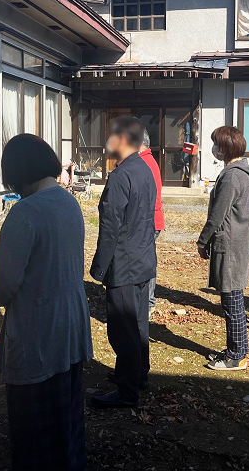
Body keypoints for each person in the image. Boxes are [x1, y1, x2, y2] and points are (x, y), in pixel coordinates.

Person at [0, 134, 93, 471]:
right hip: (70, 325)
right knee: (66, 419)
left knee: (34, 431)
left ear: (19, 173)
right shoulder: (69, 203)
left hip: (37, 331)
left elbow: (4, 285)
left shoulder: (26, 212)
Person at [90, 116, 157, 408]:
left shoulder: (121, 176)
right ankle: (137, 375)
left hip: (125, 262)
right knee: (139, 324)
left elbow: (110, 226)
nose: (108, 143)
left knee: (123, 329)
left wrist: (99, 266)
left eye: (112, 137)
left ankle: (127, 391)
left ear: (124, 140)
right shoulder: (144, 169)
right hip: (143, 258)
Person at [197, 126, 249, 371]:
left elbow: (217, 215)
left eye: (216, 144)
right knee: (234, 300)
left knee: (232, 302)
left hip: (231, 244)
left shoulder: (232, 176)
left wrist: (202, 241)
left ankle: (236, 355)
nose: (214, 149)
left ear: (224, 148)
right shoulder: (240, 172)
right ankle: (237, 349)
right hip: (237, 241)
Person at [139, 129, 164, 316]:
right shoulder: (147, 160)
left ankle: (146, 303)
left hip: (148, 221)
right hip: (151, 220)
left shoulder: (144, 162)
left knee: (144, 264)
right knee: (146, 262)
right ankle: (147, 302)